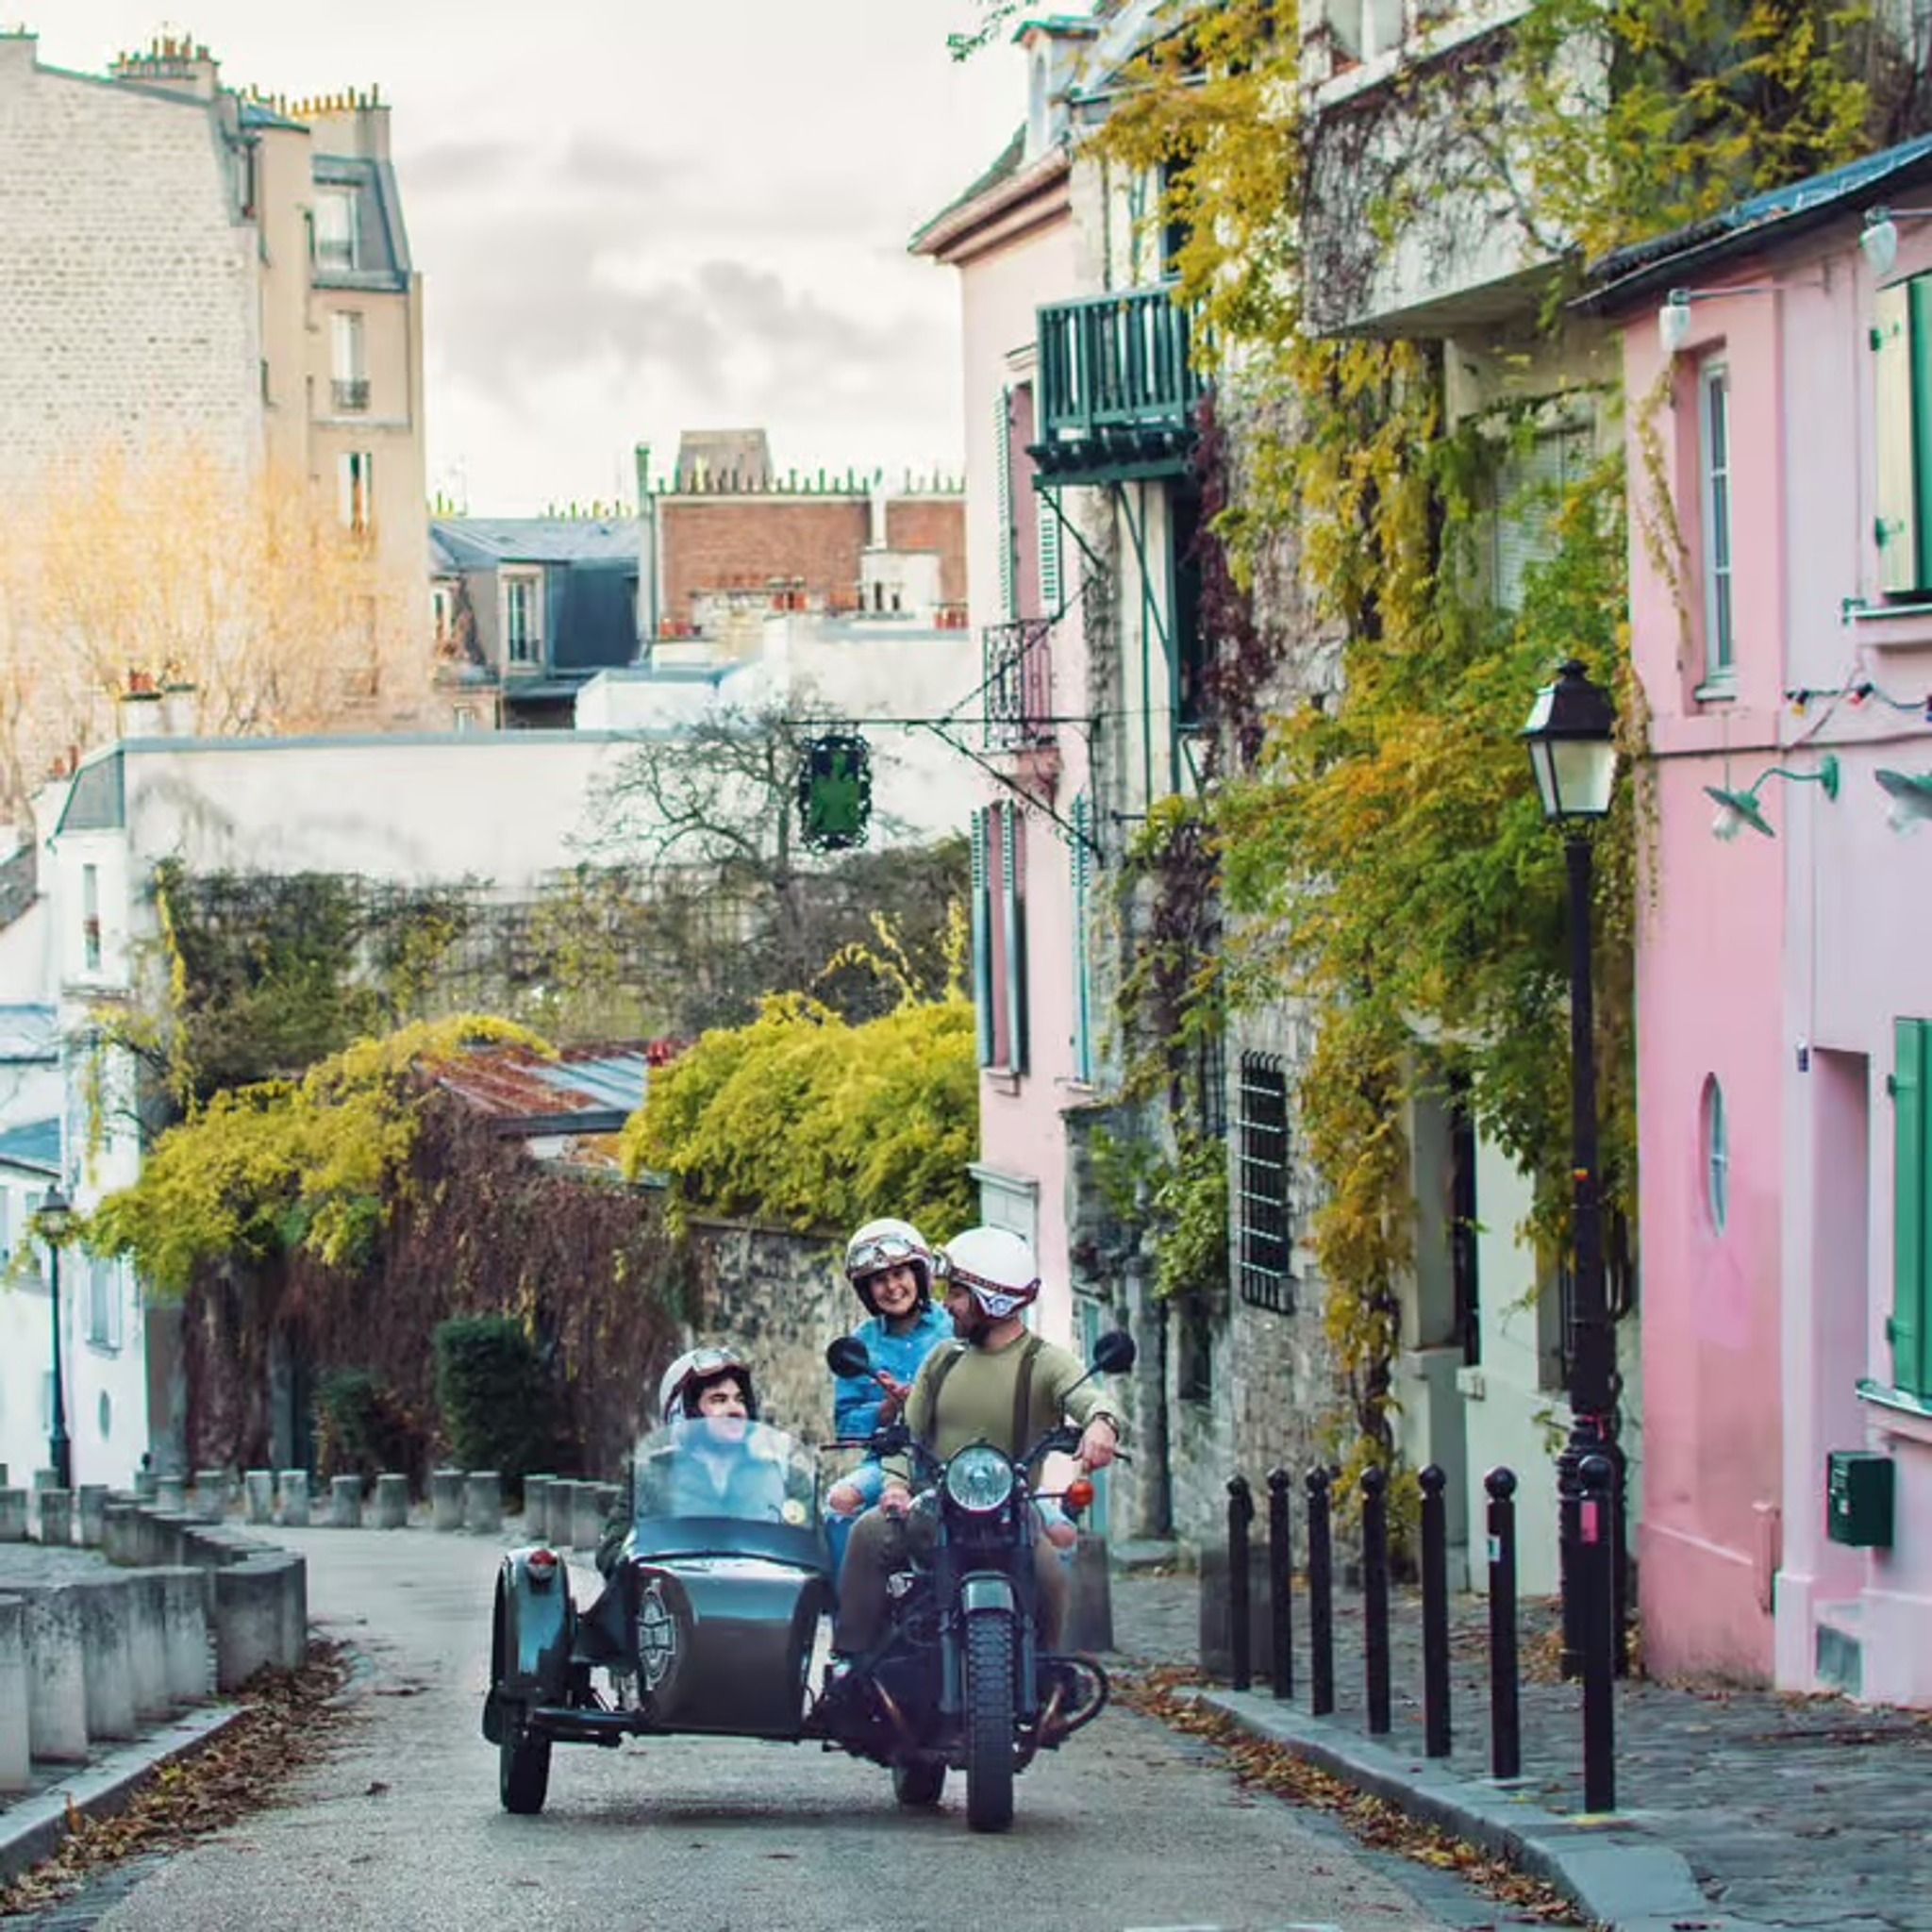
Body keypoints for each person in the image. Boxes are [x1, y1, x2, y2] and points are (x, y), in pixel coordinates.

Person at [829, 1226, 1121, 1662]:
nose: (948, 1305)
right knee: (869, 1533)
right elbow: (904, 1433)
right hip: (933, 1507)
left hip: (1011, 1512)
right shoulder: (943, 1358)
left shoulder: (1044, 1361)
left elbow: (1087, 1395)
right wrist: (894, 1485)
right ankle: (851, 1663)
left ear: (993, 1299)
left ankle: (1050, 1674)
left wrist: (1101, 1424)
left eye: (959, 1294)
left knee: (1051, 1573)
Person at [824, 1218, 954, 1567]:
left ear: (919, 1275)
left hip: (955, 1455)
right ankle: (848, 1616)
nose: (892, 1286)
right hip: (885, 1462)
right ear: (867, 1290)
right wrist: (886, 1410)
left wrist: (925, 1398)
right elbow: (846, 1423)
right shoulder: (861, 1343)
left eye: (899, 1274)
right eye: (880, 1280)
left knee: (1046, 1521)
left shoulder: (954, 1328)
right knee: (839, 1502)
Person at [597, 1345, 789, 1573]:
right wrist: (643, 1565)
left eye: (739, 1399)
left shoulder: (778, 1474)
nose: (735, 1409)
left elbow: (810, 1551)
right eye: (719, 1400)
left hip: (760, 1599)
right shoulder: (652, 1475)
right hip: (679, 1600)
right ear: (683, 1413)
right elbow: (611, 1550)